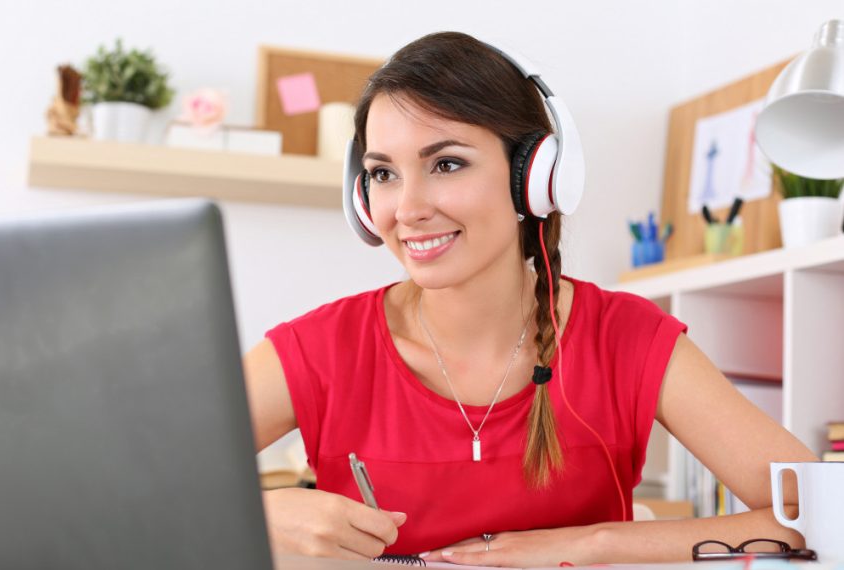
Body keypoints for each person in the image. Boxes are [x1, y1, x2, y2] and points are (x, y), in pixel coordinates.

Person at [243, 31, 815, 567]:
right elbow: (151, 475)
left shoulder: (627, 339)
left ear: (534, 177)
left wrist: (595, 542)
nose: (408, 208)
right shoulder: (319, 349)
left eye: (446, 164)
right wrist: (265, 509)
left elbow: (823, 517)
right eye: (383, 174)